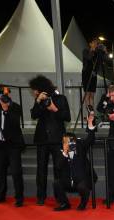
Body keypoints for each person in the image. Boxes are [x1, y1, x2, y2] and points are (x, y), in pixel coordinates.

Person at [29, 75, 71, 206]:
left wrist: (55, 109)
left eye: (34, 90)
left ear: (40, 88)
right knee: (41, 169)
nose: (34, 92)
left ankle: (60, 197)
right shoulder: (39, 100)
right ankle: (40, 196)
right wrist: (38, 101)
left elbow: (67, 117)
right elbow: (33, 115)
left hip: (57, 139)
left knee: (58, 169)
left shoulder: (61, 98)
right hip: (42, 139)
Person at [53, 112, 98, 211]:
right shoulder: (60, 151)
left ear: (75, 141)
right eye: (65, 142)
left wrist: (90, 123)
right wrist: (65, 152)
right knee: (56, 183)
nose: (69, 144)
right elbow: (58, 166)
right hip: (68, 180)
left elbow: (90, 140)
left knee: (82, 186)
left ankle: (83, 203)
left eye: (70, 141)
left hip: (82, 179)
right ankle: (64, 204)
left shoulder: (80, 146)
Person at [81, 38, 106, 110]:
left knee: (92, 94)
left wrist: (103, 52)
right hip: (86, 74)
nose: (95, 44)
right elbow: (88, 58)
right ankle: (88, 111)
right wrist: (93, 50)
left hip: (93, 74)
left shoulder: (97, 53)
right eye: (94, 43)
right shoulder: (86, 51)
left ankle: (92, 111)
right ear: (90, 44)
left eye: (97, 43)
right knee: (87, 93)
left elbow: (101, 62)